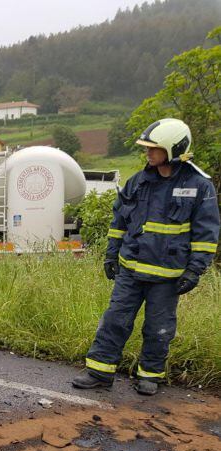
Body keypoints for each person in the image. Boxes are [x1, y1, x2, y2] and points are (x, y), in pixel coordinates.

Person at [72, 118, 219, 396]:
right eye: (147, 149)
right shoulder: (138, 182)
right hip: (130, 272)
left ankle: (150, 375)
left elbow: (206, 234)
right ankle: (99, 373)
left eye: (154, 148)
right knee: (115, 320)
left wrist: (194, 271)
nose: (148, 154)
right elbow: (119, 221)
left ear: (175, 149)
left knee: (158, 329)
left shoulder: (200, 187)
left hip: (167, 278)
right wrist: (111, 254)